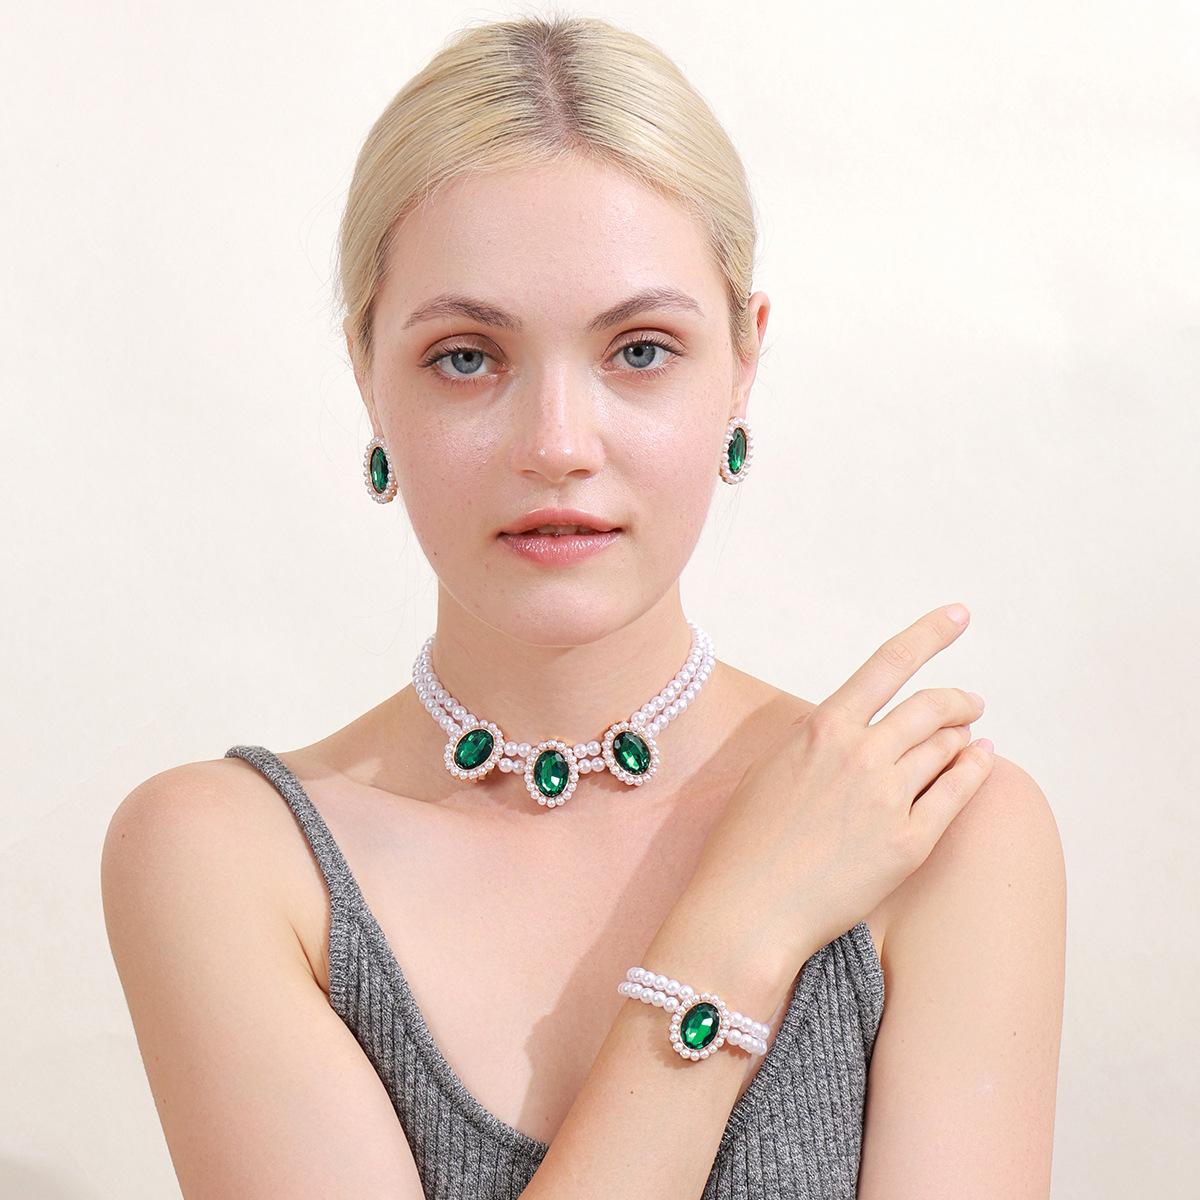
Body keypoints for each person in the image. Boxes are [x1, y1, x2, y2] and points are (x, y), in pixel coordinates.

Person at [101, 13, 1066, 1199]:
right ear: (368, 374)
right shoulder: (225, 858)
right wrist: (735, 934)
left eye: (640, 350)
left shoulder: (937, 831)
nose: (557, 444)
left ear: (743, 364)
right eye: (467, 356)